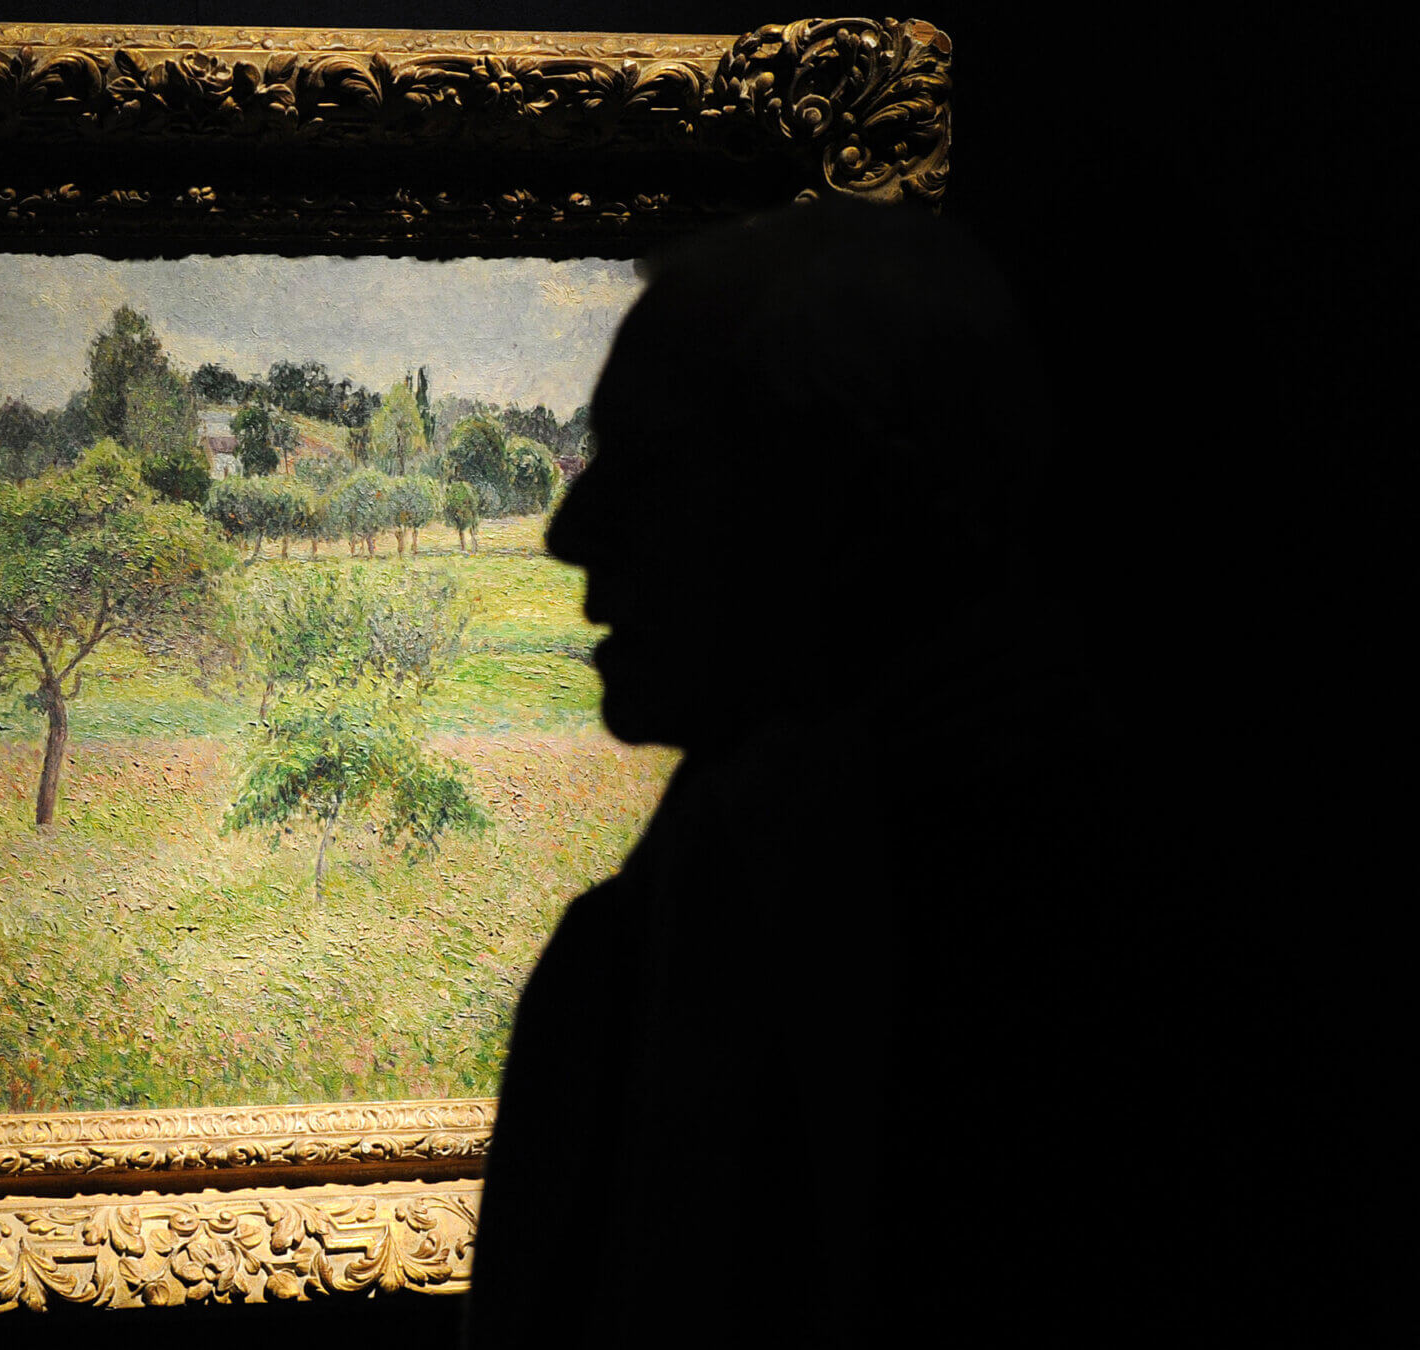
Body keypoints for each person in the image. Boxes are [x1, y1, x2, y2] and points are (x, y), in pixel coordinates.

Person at [465, 201, 1169, 1344]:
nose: (571, 529)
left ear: (846, 492)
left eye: (652, 460)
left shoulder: (1038, 976)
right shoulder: (694, 917)